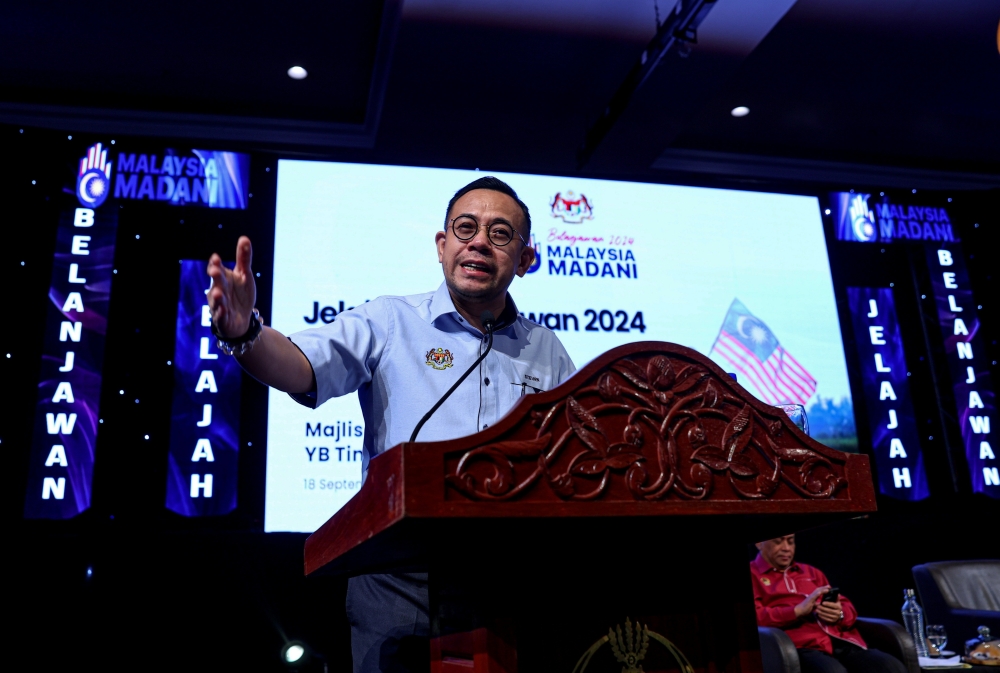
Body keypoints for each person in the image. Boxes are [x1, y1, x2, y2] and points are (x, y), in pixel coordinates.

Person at [207, 176, 576, 673]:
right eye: (465, 228)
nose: (479, 242)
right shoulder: (390, 321)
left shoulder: (546, 350)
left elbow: (577, 459)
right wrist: (245, 329)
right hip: (397, 581)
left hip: (506, 582)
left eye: (500, 233)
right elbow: (299, 367)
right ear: (442, 246)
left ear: (526, 259)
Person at [751, 534, 907, 673]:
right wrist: (797, 611)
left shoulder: (811, 573)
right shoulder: (752, 574)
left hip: (841, 640)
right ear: (759, 543)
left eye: (791, 542)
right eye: (778, 542)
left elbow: (847, 608)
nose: (786, 548)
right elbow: (754, 618)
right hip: (801, 647)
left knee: (891, 666)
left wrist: (839, 614)